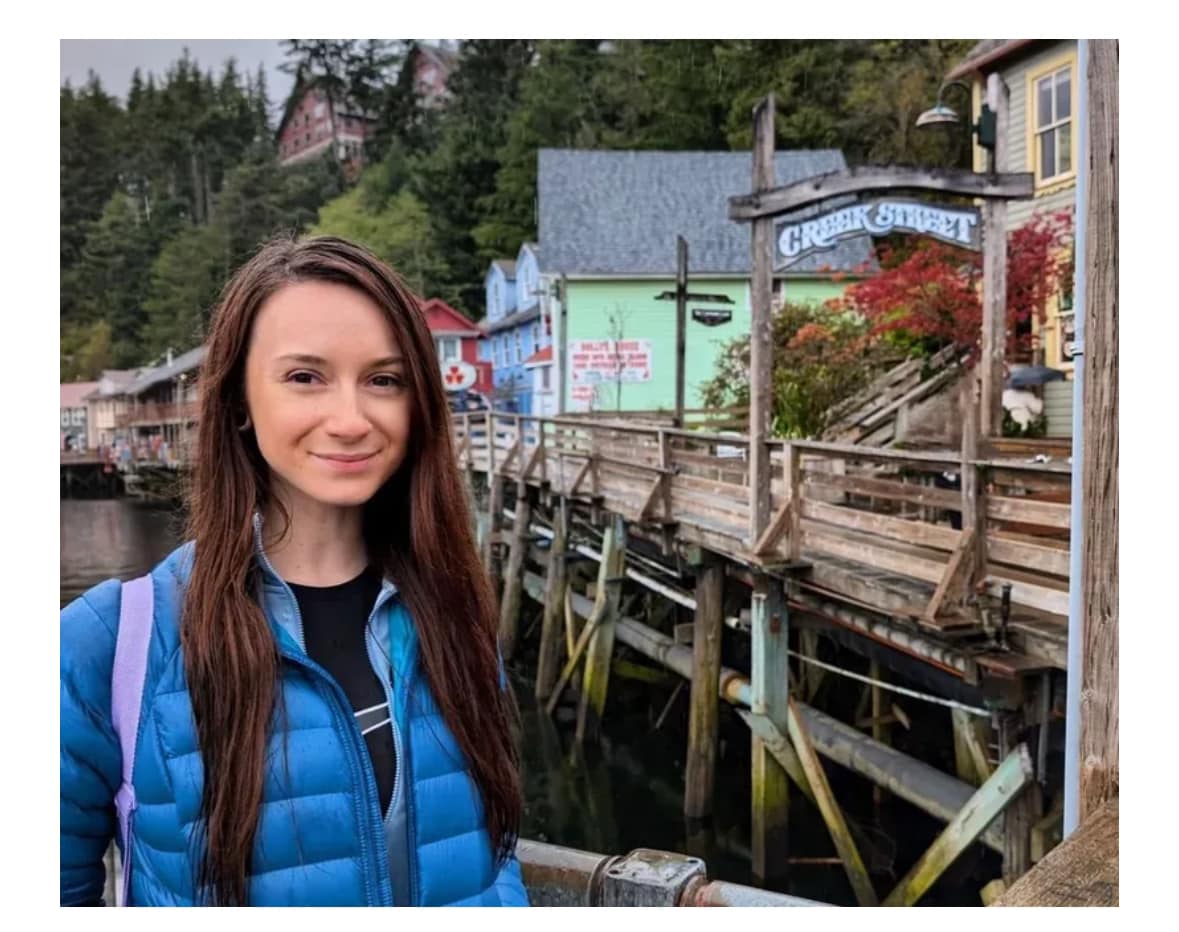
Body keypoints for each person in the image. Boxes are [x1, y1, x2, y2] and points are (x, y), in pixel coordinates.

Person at [60, 236, 529, 907]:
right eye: (305, 377)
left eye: (384, 380)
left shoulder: (454, 611)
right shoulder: (111, 644)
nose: (351, 420)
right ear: (239, 401)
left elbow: (495, 853)